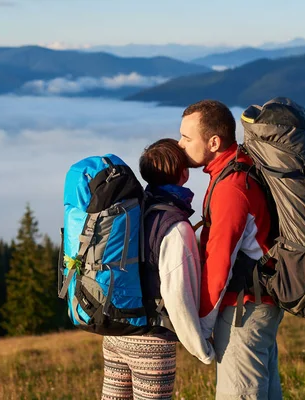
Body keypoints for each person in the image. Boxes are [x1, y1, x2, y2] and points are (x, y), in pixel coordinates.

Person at [178, 100, 283, 400]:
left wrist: (200, 329)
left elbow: (218, 264)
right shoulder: (241, 165)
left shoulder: (230, 188)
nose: (180, 144)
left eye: (187, 137)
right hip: (262, 304)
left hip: (243, 312)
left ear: (213, 142)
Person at [101, 138, 214, 400]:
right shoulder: (174, 225)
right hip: (151, 342)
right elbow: (178, 294)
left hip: (115, 332)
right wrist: (200, 347)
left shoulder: (133, 208)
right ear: (183, 173)